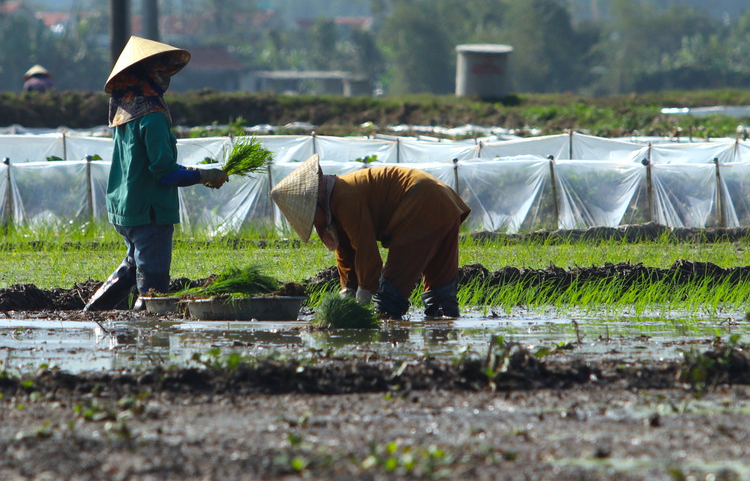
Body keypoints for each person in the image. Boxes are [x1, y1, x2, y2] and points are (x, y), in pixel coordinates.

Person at [84, 36, 230, 312]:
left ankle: (91, 312)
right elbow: (164, 172)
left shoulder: (125, 112)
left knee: (133, 265)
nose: (165, 78)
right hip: (150, 211)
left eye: (165, 71)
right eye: (158, 72)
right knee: (153, 287)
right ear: (145, 77)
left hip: (125, 209)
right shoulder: (152, 117)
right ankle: (150, 339)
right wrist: (205, 174)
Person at [271, 155, 470, 319]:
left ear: (316, 202)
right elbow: (347, 251)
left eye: (313, 218)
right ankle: (444, 341)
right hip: (442, 201)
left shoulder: (344, 196)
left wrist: (363, 297)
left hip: (420, 203)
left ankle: (389, 346)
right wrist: (347, 293)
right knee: (441, 299)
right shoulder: (338, 196)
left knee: (388, 302)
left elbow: (367, 252)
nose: (316, 225)